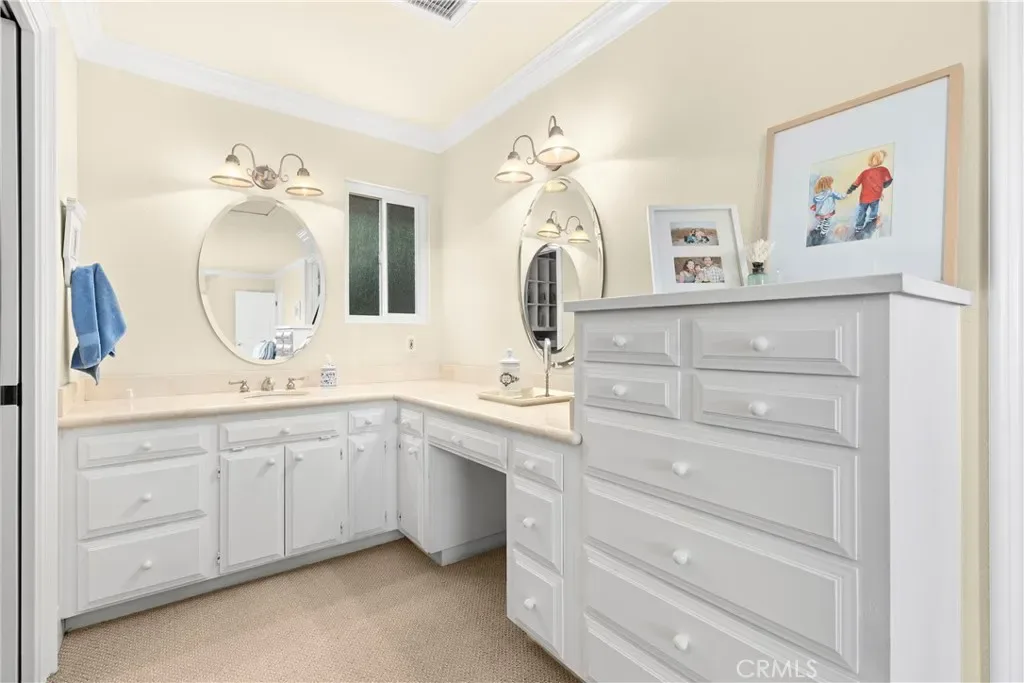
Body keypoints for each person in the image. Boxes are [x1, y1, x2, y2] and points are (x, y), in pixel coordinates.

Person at [846, 149, 893, 238]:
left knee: (872, 213)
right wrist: (850, 190)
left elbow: (888, 181)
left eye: (877, 159)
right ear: (870, 160)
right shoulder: (865, 173)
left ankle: (869, 225)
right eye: (873, 159)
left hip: (875, 197)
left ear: (880, 160)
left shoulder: (883, 170)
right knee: (862, 214)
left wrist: (880, 188)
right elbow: (856, 182)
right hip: (864, 198)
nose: (875, 161)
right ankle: (859, 228)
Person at [807, 175, 848, 247]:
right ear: (828, 184)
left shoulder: (819, 193)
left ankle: (817, 229)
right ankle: (822, 234)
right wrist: (846, 195)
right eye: (831, 183)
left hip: (820, 211)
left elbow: (815, 200)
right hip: (828, 211)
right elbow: (840, 196)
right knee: (827, 222)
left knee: (821, 220)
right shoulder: (831, 192)